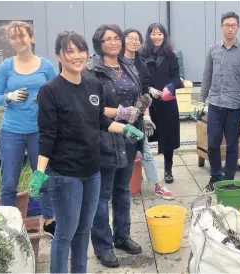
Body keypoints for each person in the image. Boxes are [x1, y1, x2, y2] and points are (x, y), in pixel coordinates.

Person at [27, 30, 144, 273]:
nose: (77, 56)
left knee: (83, 230)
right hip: (64, 174)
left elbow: (99, 119)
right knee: (65, 233)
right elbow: (47, 136)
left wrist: (124, 129)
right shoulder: (50, 91)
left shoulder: (92, 84)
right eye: (69, 51)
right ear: (59, 55)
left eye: (80, 50)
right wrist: (40, 172)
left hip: (93, 171)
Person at [85, 25, 150, 268]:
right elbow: (93, 109)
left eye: (116, 38)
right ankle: (103, 246)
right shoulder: (93, 71)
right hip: (105, 136)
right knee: (102, 195)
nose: (113, 42)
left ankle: (121, 236)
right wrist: (121, 112)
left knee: (123, 189)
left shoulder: (127, 66)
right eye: (107, 39)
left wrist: (142, 107)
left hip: (129, 137)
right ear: (99, 44)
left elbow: (137, 94)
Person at [0, 21, 56, 235]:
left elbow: (57, 93)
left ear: (32, 38)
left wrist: (44, 99)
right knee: (9, 182)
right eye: (14, 37)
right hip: (12, 132)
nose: (18, 40)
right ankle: (10, 225)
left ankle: (49, 220)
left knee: (43, 175)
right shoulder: (6, 67)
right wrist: (9, 96)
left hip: (40, 130)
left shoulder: (45, 65)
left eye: (22, 36)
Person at [196, 11, 240, 192]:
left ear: (238, 28)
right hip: (215, 105)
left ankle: (229, 178)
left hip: (235, 106)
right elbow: (206, 77)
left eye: (233, 25)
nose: (230, 28)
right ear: (221, 27)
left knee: (232, 144)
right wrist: (201, 101)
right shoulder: (213, 50)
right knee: (212, 143)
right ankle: (215, 176)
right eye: (227, 25)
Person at [138, 23, 184, 185]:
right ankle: (140, 170)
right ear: (148, 36)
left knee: (168, 137)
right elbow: (138, 77)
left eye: (160, 34)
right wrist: (148, 89)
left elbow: (177, 78)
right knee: (141, 137)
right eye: (153, 34)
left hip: (167, 101)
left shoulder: (171, 55)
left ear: (164, 36)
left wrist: (169, 87)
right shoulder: (141, 55)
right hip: (147, 102)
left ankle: (168, 170)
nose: (157, 37)